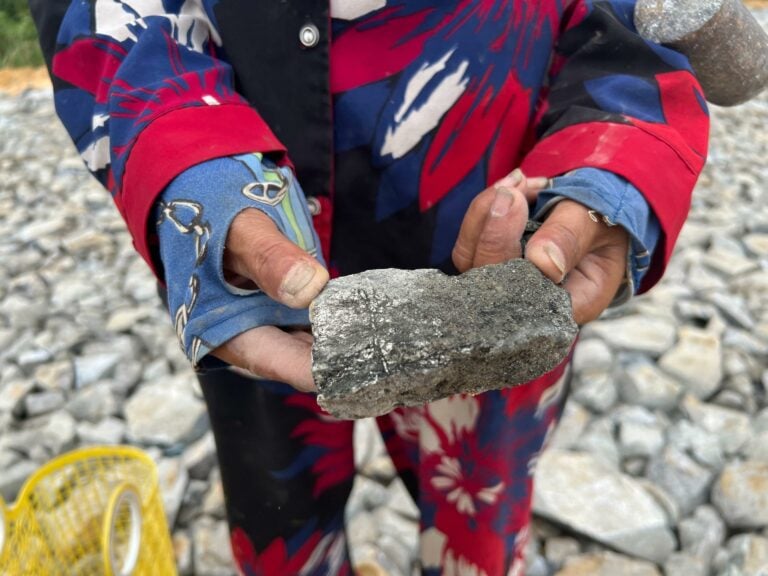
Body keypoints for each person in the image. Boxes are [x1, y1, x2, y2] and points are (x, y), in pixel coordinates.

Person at [30, 1, 708, 573]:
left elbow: (632, 26)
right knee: (280, 517)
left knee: (478, 517)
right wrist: (184, 165)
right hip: (246, 251)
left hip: (501, 242)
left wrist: (612, 170)